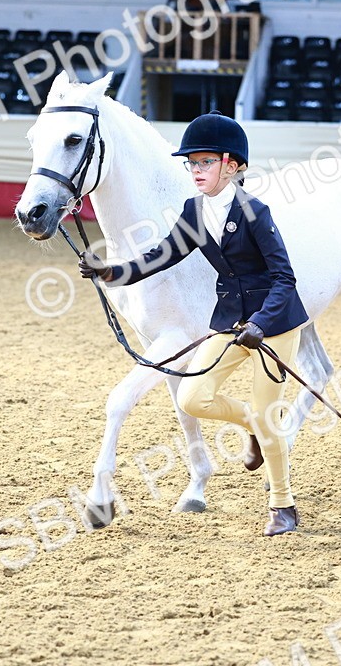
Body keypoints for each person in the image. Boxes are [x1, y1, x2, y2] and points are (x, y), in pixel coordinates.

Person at [79, 111, 309, 536]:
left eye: (205, 162)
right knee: (192, 397)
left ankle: (283, 505)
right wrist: (111, 271)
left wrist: (261, 323)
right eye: (192, 163)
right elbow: (162, 254)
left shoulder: (255, 212)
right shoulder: (195, 210)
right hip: (228, 324)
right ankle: (256, 425)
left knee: (267, 408)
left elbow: (284, 278)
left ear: (232, 165)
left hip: (274, 326)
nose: (196, 170)